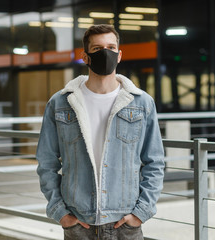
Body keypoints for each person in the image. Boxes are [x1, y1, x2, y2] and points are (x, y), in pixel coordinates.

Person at [36, 24, 165, 240]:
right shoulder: (60, 103)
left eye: (111, 47)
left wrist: (140, 214)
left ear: (119, 54)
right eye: (97, 49)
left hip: (125, 225)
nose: (105, 53)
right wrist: (61, 214)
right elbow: (46, 162)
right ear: (85, 56)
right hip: (78, 224)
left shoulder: (142, 103)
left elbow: (155, 162)